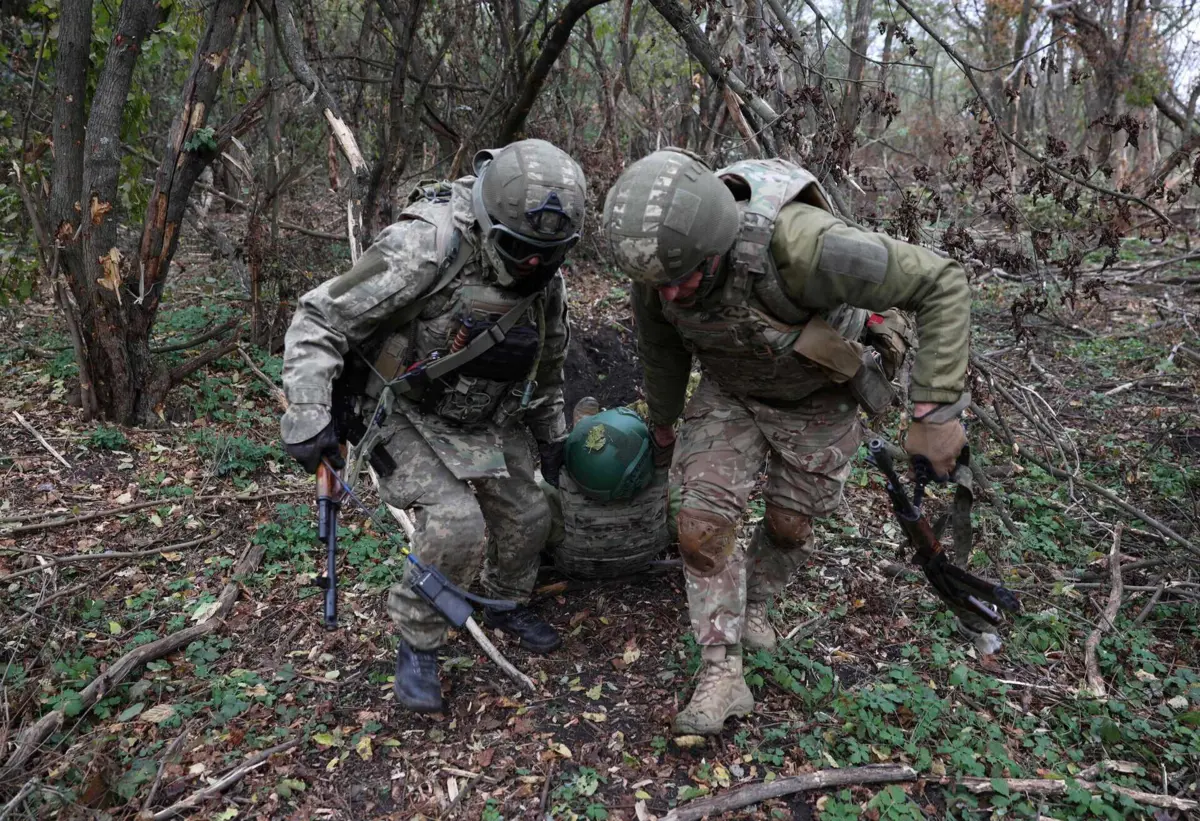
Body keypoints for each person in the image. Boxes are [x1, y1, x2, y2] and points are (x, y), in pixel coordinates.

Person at [602, 151, 971, 735]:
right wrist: (664, 420)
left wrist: (934, 410)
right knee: (700, 529)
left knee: (788, 528)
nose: (669, 295)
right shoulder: (660, 265)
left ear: (717, 247)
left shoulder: (803, 246)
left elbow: (940, 280)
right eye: (657, 285)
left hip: (818, 392)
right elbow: (662, 347)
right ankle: (721, 672)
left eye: (681, 280)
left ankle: (756, 604)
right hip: (732, 390)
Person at [279, 139, 587, 713]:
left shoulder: (546, 271)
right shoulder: (427, 245)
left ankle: (504, 601)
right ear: (490, 225)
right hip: (401, 407)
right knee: (456, 523)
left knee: (529, 513)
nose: (531, 266)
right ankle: (419, 641)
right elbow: (320, 317)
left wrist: (552, 432)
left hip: (484, 412)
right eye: (518, 250)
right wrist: (307, 411)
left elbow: (549, 358)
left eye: (546, 255)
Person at [540, 399, 676, 578]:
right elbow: (678, 524)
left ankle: (583, 438)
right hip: (644, 556)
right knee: (676, 491)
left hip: (577, 563)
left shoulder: (560, 484)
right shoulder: (661, 477)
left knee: (544, 494)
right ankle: (589, 434)